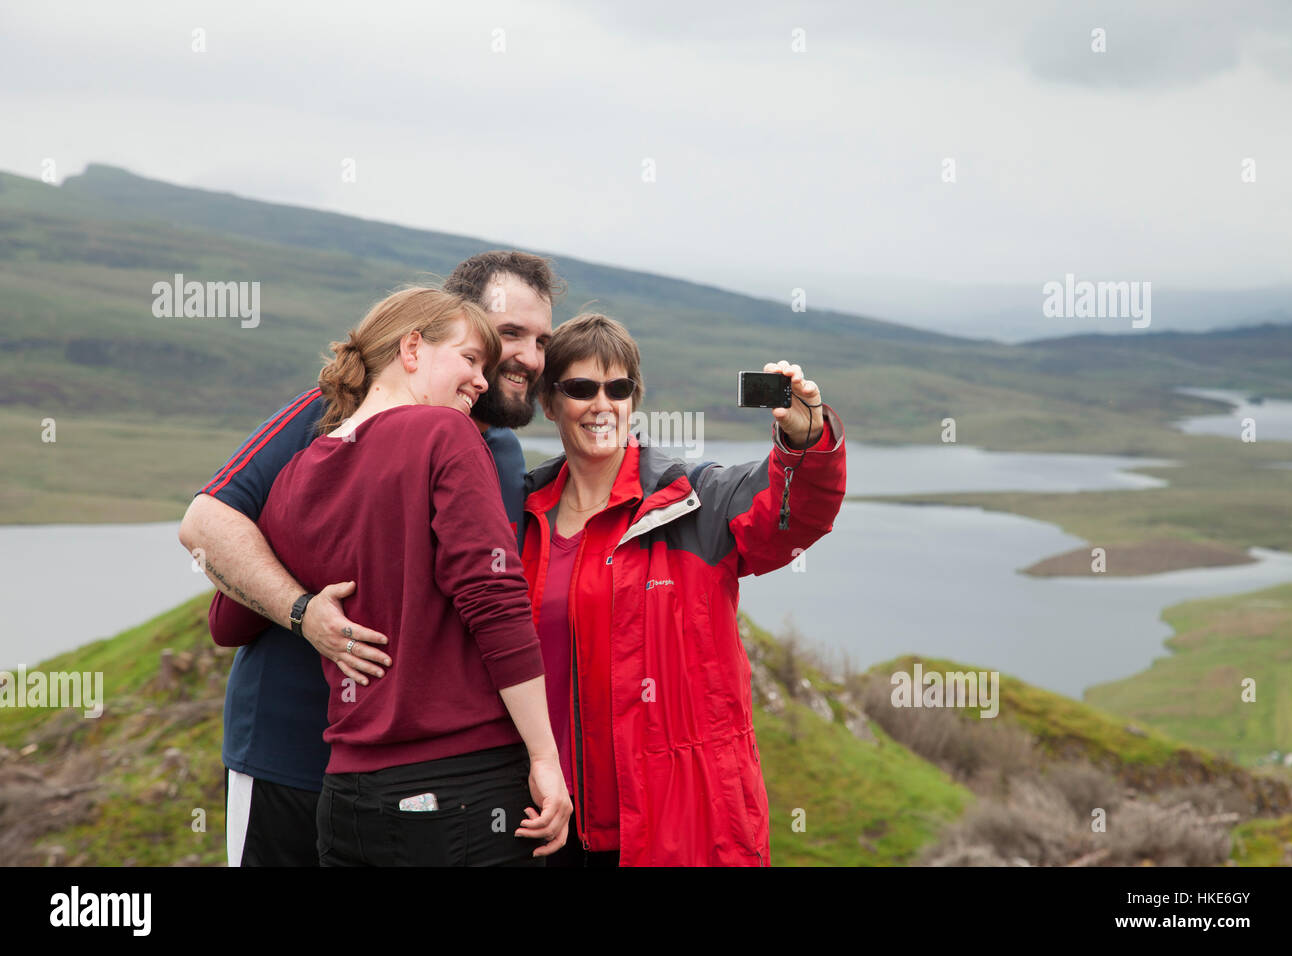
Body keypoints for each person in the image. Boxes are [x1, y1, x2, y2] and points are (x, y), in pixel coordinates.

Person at [178, 251, 560, 866]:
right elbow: (204, 525)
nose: (528, 358)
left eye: (542, 340)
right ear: (419, 344)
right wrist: (304, 612)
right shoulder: (328, 411)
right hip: (288, 754)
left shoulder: (506, 456)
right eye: (504, 335)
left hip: (394, 774)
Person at [520, 313, 846, 866]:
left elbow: (794, 517)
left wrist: (806, 437)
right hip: (552, 824)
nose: (602, 404)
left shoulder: (696, 500)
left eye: (618, 388)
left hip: (681, 825)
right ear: (549, 404)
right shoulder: (522, 517)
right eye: (580, 388)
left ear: (633, 399)